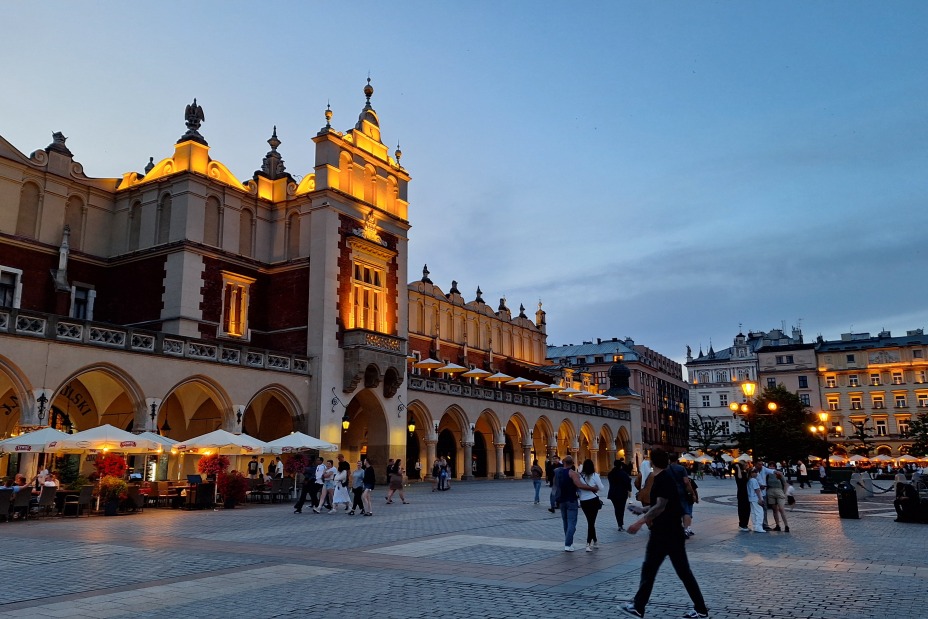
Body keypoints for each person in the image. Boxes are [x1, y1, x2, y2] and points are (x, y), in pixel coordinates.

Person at [623, 448, 709, 619]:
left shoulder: (663, 479)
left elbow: (661, 506)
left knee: (658, 570)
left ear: (651, 461)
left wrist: (639, 522)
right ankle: (639, 606)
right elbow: (660, 504)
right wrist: (642, 510)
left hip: (665, 533)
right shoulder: (663, 478)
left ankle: (639, 607)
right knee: (658, 570)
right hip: (668, 532)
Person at [554, 455, 599, 552]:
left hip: (561, 500)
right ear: (572, 463)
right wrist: (593, 488)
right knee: (572, 523)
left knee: (565, 522)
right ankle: (568, 544)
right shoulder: (573, 473)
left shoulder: (558, 472)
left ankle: (568, 543)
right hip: (571, 500)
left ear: (564, 462)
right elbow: (579, 485)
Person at [578, 458, 605, 552]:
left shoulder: (581, 476)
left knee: (590, 521)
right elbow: (602, 488)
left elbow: (579, 488)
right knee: (591, 522)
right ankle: (588, 543)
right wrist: (595, 487)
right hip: (593, 500)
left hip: (583, 501)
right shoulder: (595, 475)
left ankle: (595, 541)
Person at [608, 459, 632, 531]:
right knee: (621, 509)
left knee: (617, 509)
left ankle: (619, 524)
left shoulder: (610, 474)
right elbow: (628, 482)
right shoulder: (623, 474)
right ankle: (620, 524)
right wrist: (629, 490)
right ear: (621, 466)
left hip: (613, 493)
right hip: (622, 494)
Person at [765, 466, 790, 532]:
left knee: (781, 509)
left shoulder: (778, 474)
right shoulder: (767, 475)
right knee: (774, 509)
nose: (771, 468)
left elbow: (785, 483)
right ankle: (777, 525)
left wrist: (784, 493)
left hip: (779, 491)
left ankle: (786, 525)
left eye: (772, 466)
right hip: (770, 491)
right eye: (770, 466)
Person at [734, 461, 751, 532]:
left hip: (746, 492)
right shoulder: (738, 473)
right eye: (744, 465)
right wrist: (738, 468)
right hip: (741, 493)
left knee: (747, 509)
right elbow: (740, 478)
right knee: (742, 508)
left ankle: (745, 524)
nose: (746, 466)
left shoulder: (745, 472)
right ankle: (742, 524)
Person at [747, 468, 766, 533]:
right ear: (751, 473)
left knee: (753, 512)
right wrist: (760, 498)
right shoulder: (754, 480)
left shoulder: (748, 480)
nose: (756, 474)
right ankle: (759, 526)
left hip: (751, 498)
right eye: (755, 472)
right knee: (760, 512)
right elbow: (757, 490)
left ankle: (755, 525)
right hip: (756, 498)